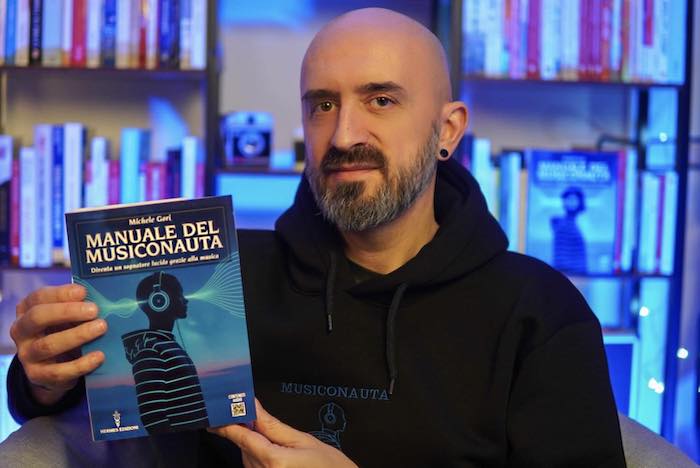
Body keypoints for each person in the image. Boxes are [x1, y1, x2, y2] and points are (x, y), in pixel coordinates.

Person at [5, 8, 625, 467]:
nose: (344, 134)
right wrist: (43, 377)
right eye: (322, 105)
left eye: (381, 100)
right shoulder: (216, 272)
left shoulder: (537, 311)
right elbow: (98, 406)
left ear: (448, 129)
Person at [125, 271, 210, 434]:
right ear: (159, 300)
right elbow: (152, 417)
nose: (185, 300)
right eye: (180, 294)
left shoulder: (166, 344)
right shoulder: (150, 350)